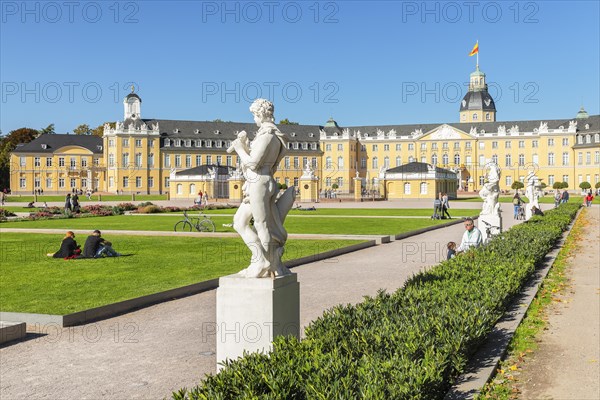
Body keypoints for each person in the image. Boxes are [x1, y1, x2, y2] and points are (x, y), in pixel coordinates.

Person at [227, 98, 294, 278]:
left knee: (261, 225)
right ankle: (261, 259)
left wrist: (240, 149)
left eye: (254, 115)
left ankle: (262, 262)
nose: (254, 119)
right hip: (260, 181)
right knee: (239, 221)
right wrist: (247, 145)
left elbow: (254, 163)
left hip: (259, 182)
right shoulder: (271, 135)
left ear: (261, 114)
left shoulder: (268, 136)